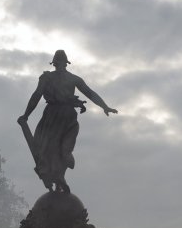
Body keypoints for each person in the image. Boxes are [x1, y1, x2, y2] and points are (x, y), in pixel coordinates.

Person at [17, 50, 118, 193]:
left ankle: (54, 175)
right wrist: (105, 107)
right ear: (66, 63)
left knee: (53, 148)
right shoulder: (72, 79)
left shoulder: (49, 78)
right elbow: (90, 93)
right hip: (66, 116)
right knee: (62, 149)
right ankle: (58, 178)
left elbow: (37, 95)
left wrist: (26, 114)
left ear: (54, 63)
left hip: (54, 116)